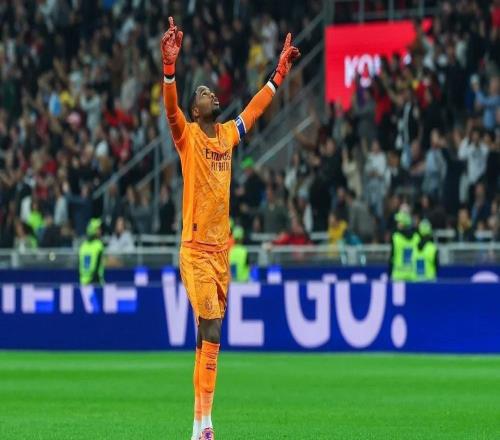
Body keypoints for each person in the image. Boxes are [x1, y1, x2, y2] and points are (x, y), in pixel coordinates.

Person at [160, 17, 300, 440]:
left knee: (205, 339)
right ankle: (207, 425)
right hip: (195, 250)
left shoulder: (226, 136)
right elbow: (170, 109)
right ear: (195, 110)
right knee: (213, 329)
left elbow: (254, 110)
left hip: (221, 251)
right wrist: (169, 69)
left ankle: (196, 425)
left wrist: (278, 75)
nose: (211, 94)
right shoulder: (187, 137)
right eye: (203, 93)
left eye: (210, 91)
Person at [389, 211, 419, 282]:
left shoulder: (395, 237)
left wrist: (389, 272)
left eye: (399, 222)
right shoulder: (416, 237)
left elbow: (392, 257)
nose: (397, 224)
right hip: (412, 275)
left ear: (402, 224)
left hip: (398, 276)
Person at [78, 218, 105, 286]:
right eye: (98, 229)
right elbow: (97, 267)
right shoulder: (98, 245)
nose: (100, 231)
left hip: (83, 282)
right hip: (95, 282)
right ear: (93, 230)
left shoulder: (83, 246)